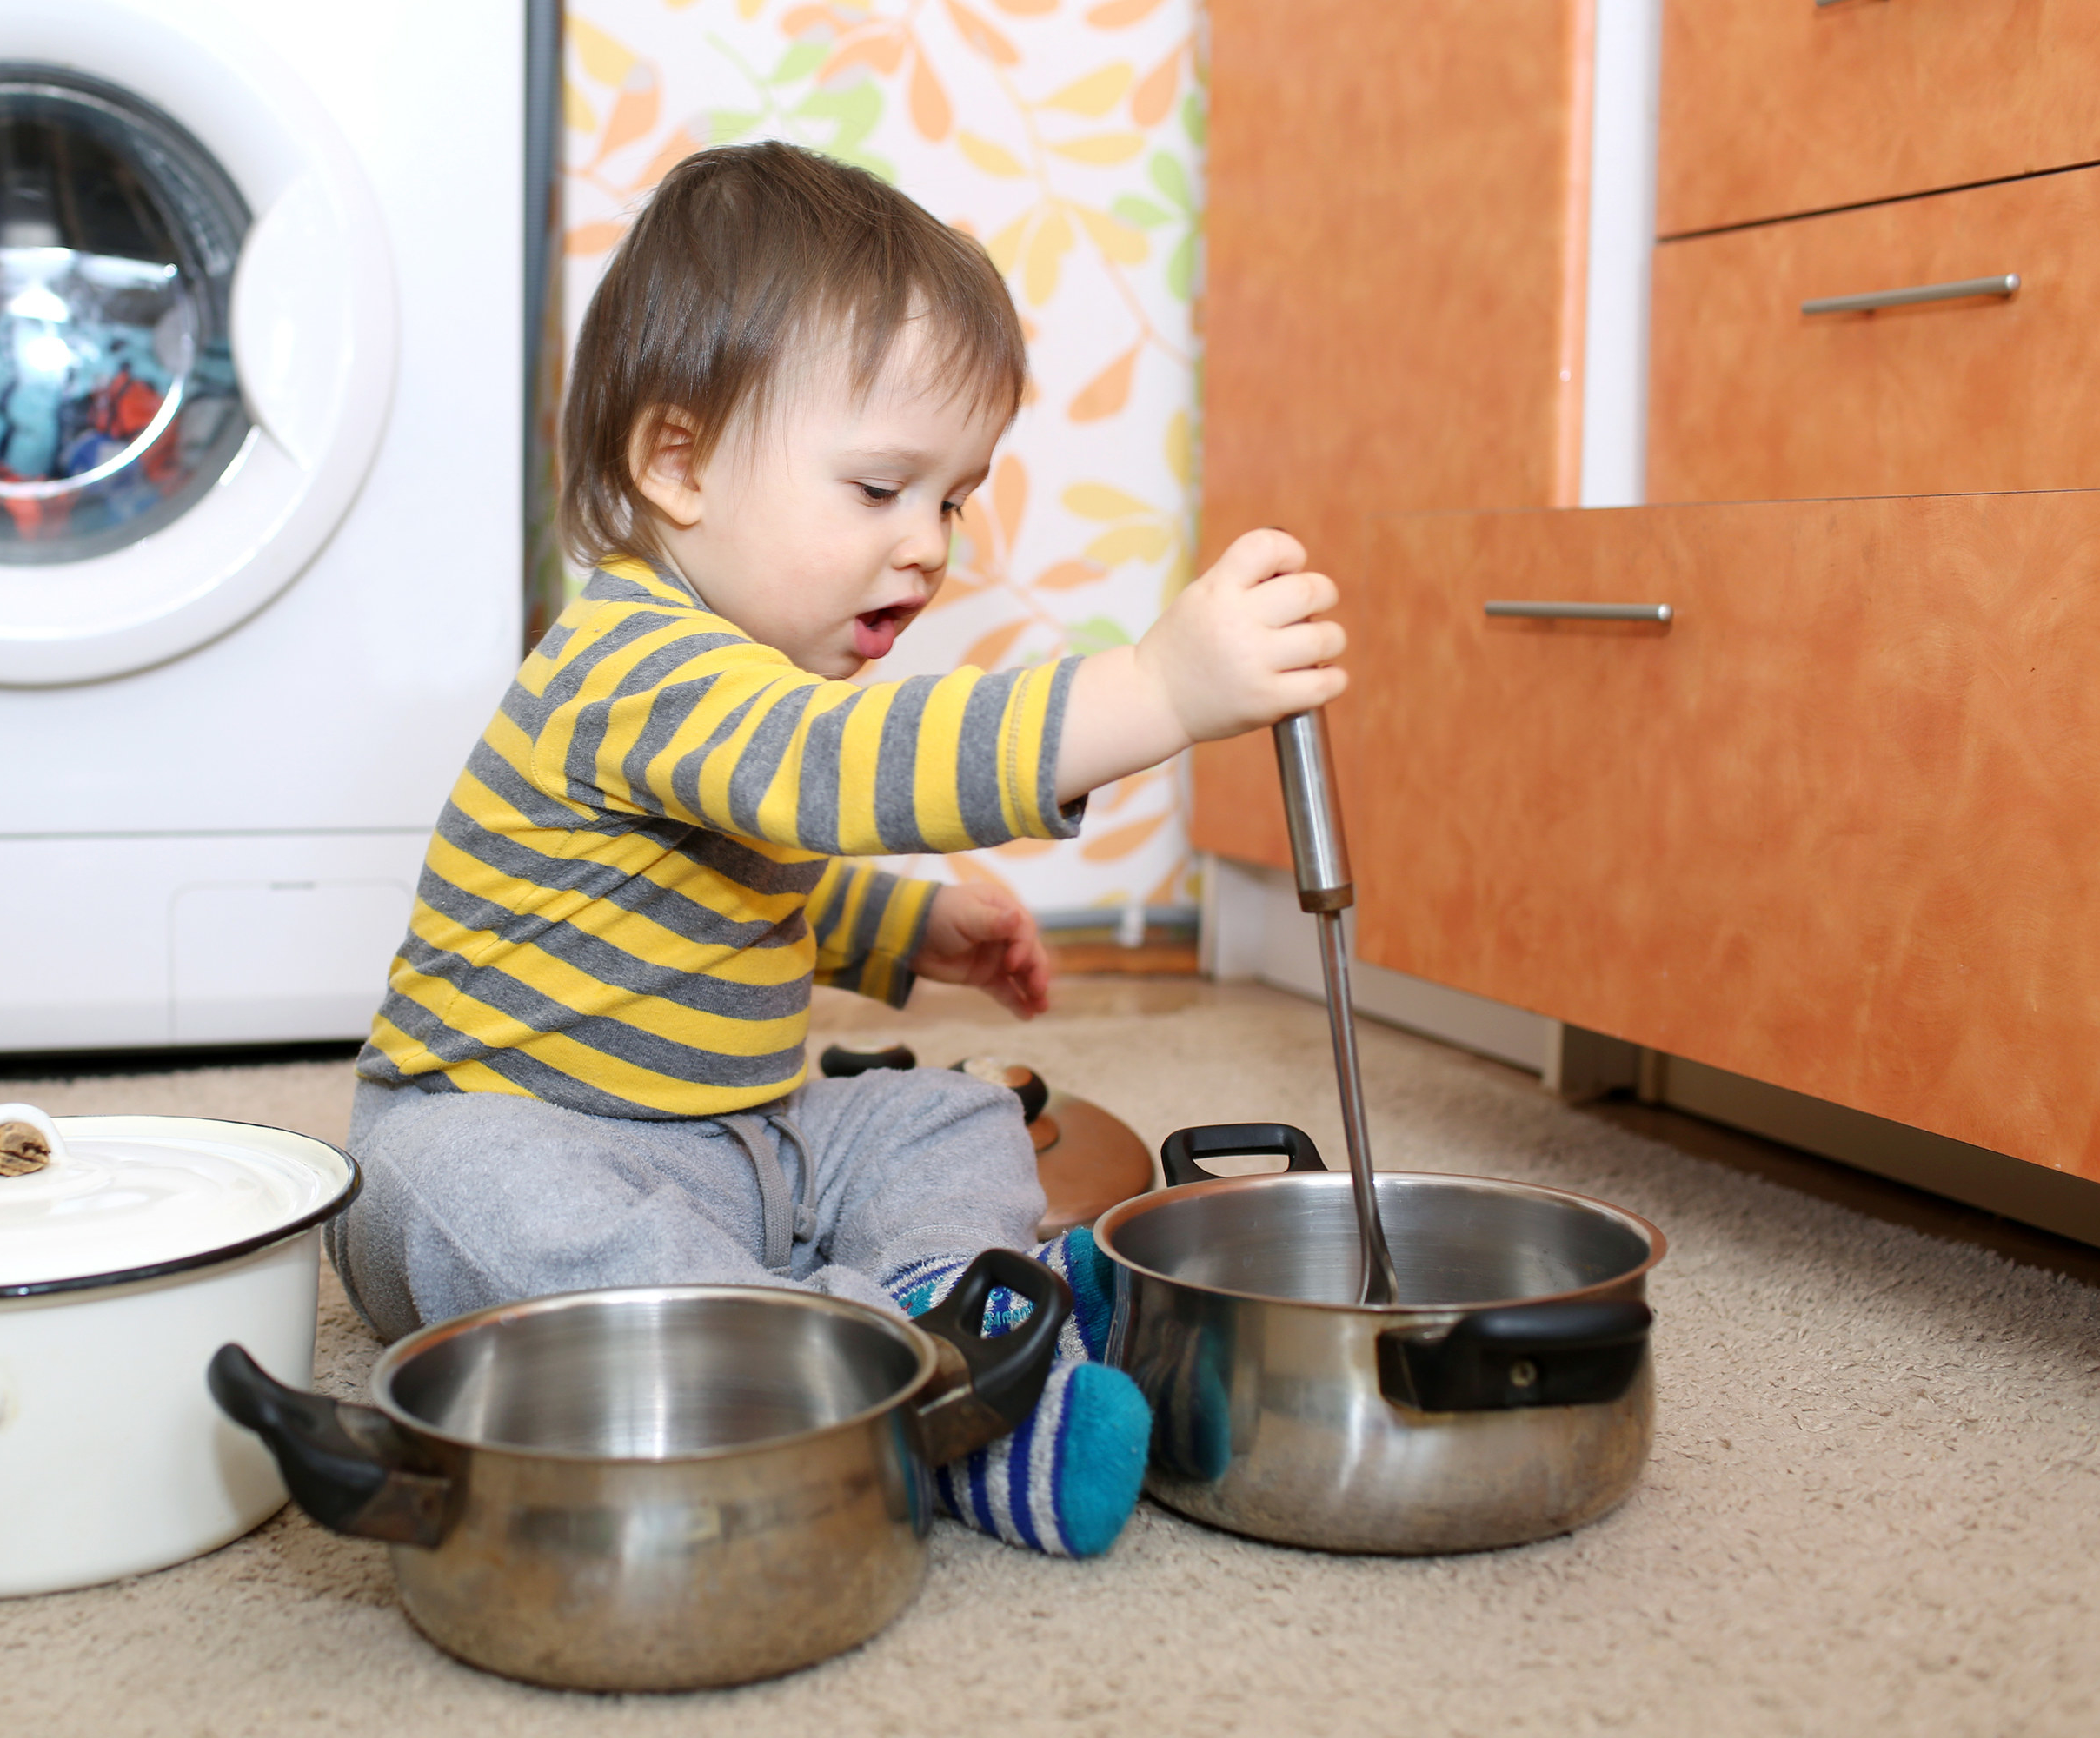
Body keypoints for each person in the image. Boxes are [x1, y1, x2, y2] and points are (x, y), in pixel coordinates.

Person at [329, 141, 1346, 1560]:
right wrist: (1157, 696)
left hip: (738, 1144)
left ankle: (953, 1310)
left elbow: (741, 874)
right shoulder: (634, 659)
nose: (927, 546)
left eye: (952, 497)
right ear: (676, 464)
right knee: (447, 1180)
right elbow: (827, 780)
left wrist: (906, 933)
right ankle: (883, 1374)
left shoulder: (736, 693)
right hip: (530, 1135)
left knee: (947, 1113)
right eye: (879, 491)